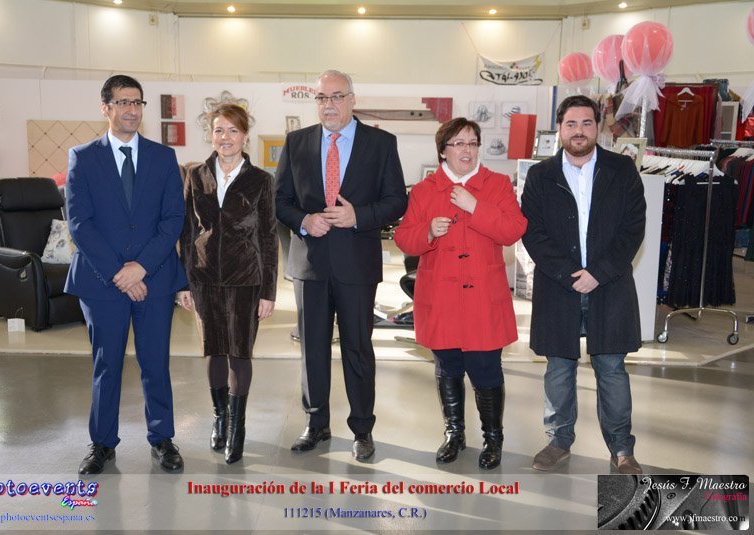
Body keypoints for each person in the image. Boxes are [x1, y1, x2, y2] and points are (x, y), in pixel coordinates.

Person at [275, 69, 408, 461]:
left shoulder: (380, 143)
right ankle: (316, 423)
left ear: (352, 100)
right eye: (321, 98)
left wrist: (359, 216)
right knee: (312, 349)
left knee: (358, 349)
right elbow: (279, 200)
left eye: (336, 97)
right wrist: (304, 220)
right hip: (310, 264)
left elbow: (396, 201)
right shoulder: (296, 142)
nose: (328, 105)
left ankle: (362, 429)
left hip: (356, 265)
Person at [66, 74, 187, 474]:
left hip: (154, 278)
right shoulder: (83, 157)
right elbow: (80, 223)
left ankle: (162, 438)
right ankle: (102, 443)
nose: (132, 110)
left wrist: (141, 268)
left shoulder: (163, 158)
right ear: (106, 107)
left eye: (137, 102)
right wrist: (120, 272)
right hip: (102, 283)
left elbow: (173, 219)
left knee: (156, 363)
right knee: (107, 365)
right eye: (123, 102)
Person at [520, 95, 646, 475]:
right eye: (571, 124)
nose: (579, 131)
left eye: (586, 123)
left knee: (612, 369)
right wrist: (569, 274)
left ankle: (622, 449)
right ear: (559, 129)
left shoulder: (622, 170)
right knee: (559, 368)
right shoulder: (540, 176)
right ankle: (558, 441)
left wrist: (599, 273)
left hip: (610, 286)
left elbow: (633, 229)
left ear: (598, 127)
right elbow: (533, 233)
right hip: (559, 287)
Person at [394, 118, 527, 469]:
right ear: (443, 151)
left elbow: (514, 229)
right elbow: (404, 238)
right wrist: (427, 231)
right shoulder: (424, 191)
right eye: (458, 143)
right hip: (441, 298)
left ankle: (493, 439)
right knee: (448, 368)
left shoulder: (497, 184)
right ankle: (454, 434)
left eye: (472, 143)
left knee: (486, 369)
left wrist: (475, 207)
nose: (466, 150)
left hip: (484, 297)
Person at [177, 103, 278, 464]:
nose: (225, 137)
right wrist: (183, 282)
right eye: (219, 130)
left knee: (239, 352)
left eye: (233, 131)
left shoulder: (261, 180)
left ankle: (238, 427)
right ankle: (220, 418)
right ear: (211, 135)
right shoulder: (196, 175)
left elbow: (268, 238)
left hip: (246, 280)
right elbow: (187, 232)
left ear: (245, 136)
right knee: (214, 350)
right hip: (204, 278)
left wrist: (268, 292)